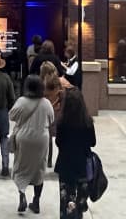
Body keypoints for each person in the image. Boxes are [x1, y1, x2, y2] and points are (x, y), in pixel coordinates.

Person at [10, 75, 54, 214]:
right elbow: (51, 119)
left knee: (20, 167)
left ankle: (22, 195)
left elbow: (11, 116)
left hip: (24, 138)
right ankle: (36, 202)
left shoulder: (21, 102)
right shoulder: (46, 103)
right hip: (41, 139)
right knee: (39, 169)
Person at [55, 88, 97, 219]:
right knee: (80, 200)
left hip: (65, 165)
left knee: (66, 200)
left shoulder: (62, 123)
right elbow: (93, 142)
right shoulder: (87, 122)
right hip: (82, 165)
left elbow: (58, 142)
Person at [40, 61, 73, 167]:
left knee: (48, 138)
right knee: (61, 138)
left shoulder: (41, 84)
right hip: (59, 112)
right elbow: (72, 90)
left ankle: (48, 161)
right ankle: (61, 161)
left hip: (46, 113)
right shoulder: (61, 82)